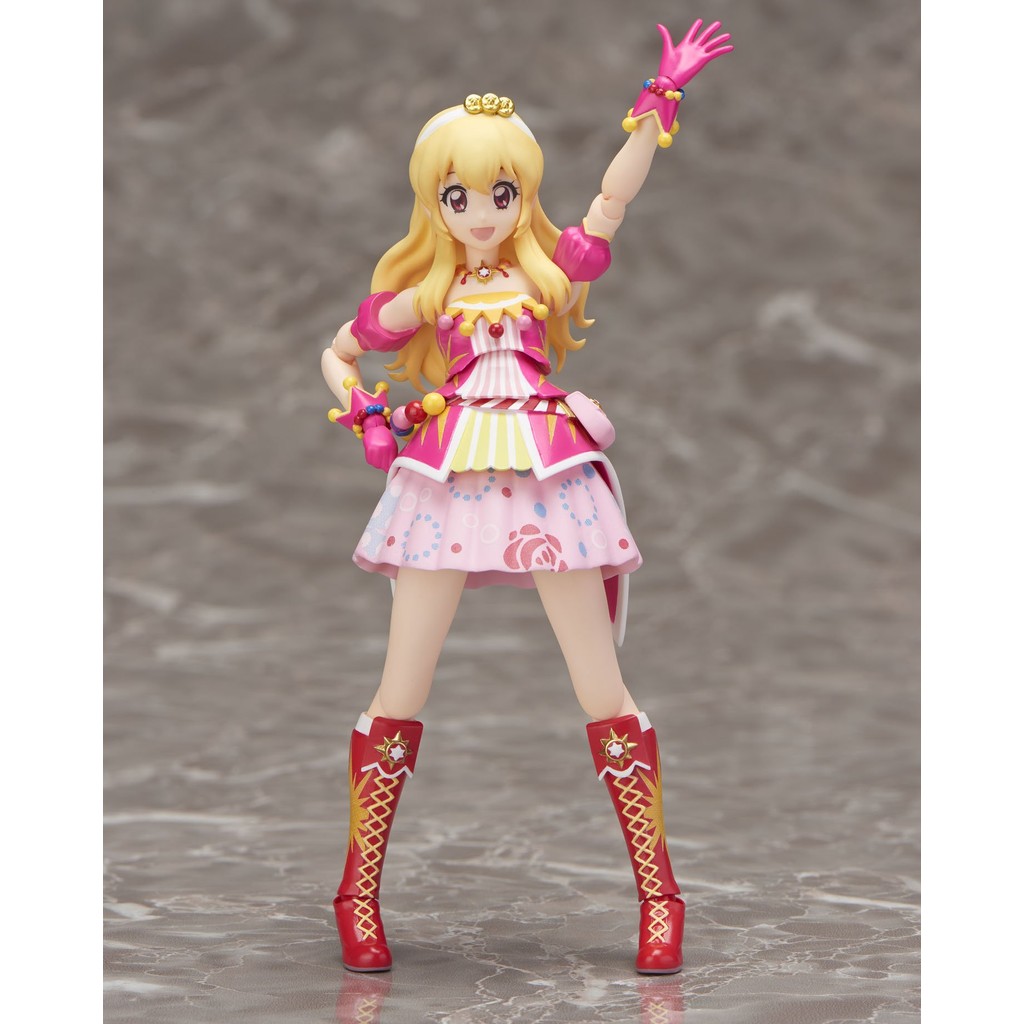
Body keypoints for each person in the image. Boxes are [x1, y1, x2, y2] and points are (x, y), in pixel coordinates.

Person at [321, 20, 732, 975]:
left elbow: (611, 202)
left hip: (549, 477)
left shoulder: (545, 274)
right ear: (436, 200)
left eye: (500, 194)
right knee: (401, 686)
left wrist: (658, 104)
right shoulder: (429, 294)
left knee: (602, 686)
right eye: (460, 196)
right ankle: (356, 893)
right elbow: (337, 353)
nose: (481, 212)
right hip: (447, 479)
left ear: (522, 196)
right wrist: (366, 416)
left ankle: (661, 896)